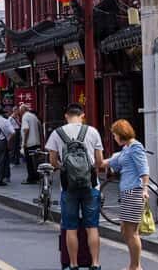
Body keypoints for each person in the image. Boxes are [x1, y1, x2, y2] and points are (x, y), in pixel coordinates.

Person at [46, 103, 104, 270]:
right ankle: (95, 263)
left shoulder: (57, 133)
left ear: (66, 115)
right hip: (91, 185)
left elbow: (52, 161)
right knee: (92, 226)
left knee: (70, 227)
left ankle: (73, 264)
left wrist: (64, 167)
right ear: (82, 115)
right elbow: (99, 161)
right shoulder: (92, 131)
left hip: (68, 187)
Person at [102, 119, 149, 270]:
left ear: (122, 134)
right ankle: (135, 265)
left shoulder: (135, 147)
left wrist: (145, 188)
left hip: (134, 192)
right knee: (125, 229)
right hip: (128, 192)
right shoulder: (126, 149)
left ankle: (135, 267)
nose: (114, 138)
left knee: (132, 232)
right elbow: (113, 160)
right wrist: (100, 162)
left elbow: (144, 168)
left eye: (115, 135)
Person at [20, 104, 43, 184]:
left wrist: (24, 142)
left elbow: (26, 129)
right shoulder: (34, 116)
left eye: (20, 111)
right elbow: (40, 127)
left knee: (29, 162)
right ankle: (37, 177)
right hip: (36, 142)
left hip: (29, 144)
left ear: (22, 110)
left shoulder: (25, 117)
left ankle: (31, 178)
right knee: (36, 162)